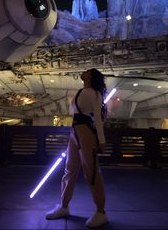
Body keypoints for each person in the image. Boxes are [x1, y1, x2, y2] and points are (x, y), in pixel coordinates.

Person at [45, 68, 108, 228]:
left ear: (91, 76)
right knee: (70, 170)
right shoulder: (83, 91)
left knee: (91, 172)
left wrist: (101, 140)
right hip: (75, 131)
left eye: (87, 71)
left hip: (85, 132)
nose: (83, 71)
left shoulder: (95, 93)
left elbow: (98, 119)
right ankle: (64, 206)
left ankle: (101, 212)